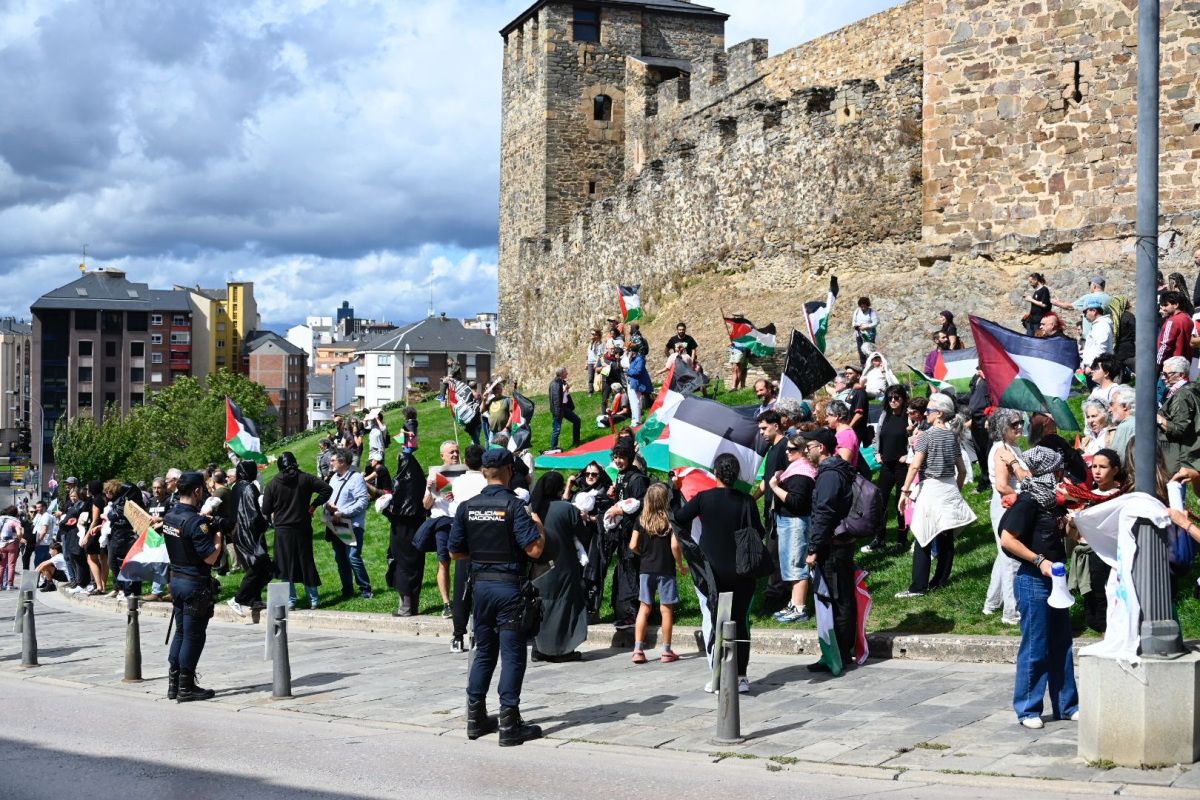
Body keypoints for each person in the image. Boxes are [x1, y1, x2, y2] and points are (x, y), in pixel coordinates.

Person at [448, 447, 546, 746]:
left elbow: (455, 552)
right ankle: (509, 723)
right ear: (507, 472)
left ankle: (476, 719)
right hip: (508, 588)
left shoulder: (467, 506)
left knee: (484, 652)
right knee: (513, 655)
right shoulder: (514, 506)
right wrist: (538, 527)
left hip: (480, 588)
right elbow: (535, 550)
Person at [998, 448, 1078, 729]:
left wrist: (1071, 525)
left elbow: (1068, 538)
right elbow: (1007, 539)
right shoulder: (1029, 501)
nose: (1061, 475)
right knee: (1036, 645)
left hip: (1056, 580)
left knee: (1062, 643)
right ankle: (1028, 709)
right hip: (1032, 580)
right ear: (1048, 472)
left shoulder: (1053, 502)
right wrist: (1039, 560)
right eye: (1058, 469)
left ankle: (1066, 706)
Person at [674, 454, 764, 693]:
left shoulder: (704, 499)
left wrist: (675, 491)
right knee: (741, 622)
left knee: (717, 622)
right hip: (743, 570)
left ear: (715, 472)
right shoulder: (746, 501)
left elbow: (679, 519)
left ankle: (717, 675)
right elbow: (759, 531)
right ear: (736, 475)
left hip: (712, 570)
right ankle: (742, 676)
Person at [896, 393, 977, 598]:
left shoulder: (926, 436)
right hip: (949, 486)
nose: (926, 413)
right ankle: (940, 580)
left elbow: (915, 465)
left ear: (939, 413)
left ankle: (918, 587)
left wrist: (904, 492)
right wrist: (956, 490)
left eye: (929, 410)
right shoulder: (952, 436)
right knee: (945, 535)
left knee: (923, 535)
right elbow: (963, 470)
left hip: (931, 488)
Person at [163, 471, 227, 703]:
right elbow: (210, 557)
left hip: (176, 580)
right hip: (194, 583)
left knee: (180, 632)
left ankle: (174, 684)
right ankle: (186, 686)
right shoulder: (195, 522)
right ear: (198, 491)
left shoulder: (171, 516)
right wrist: (218, 535)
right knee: (194, 635)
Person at [801, 427, 858, 673]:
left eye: (808, 446)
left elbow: (824, 513)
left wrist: (813, 548)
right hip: (837, 543)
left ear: (821, 448)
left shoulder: (829, 475)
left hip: (833, 547)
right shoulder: (832, 471)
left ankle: (841, 654)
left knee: (838, 599)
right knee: (836, 598)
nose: (806, 451)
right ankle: (835, 652)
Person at [587, 438, 648, 627]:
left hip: (634, 534)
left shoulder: (637, 479)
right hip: (623, 534)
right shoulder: (623, 476)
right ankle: (626, 612)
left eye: (622, 456)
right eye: (616, 456)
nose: (618, 460)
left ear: (630, 457)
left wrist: (619, 510)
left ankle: (634, 613)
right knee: (623, 570)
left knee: (631, 570)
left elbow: (641, 505)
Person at [528, 477, 589, 663]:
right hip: (563, 565)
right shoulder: (567, 508)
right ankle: (561, 650)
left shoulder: (533, 509)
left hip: (537, 566)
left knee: (541, 605)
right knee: (563, 606)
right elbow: (583, 534)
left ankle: (539, 648)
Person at [262, 451, 332, 610]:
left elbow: (266, 508)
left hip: (283, 529)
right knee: (306, 561)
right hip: (302, 526)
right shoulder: (306, 478)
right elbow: (327, 489)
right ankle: (313, 599)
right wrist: (313, 505)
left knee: (286, 565)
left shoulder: (273, 483)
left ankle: (291, 600)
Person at [625, 482, 685, 664]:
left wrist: (642, 555)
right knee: (666, 609)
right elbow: (675, 545)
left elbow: (632, 545)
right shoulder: (670, 519)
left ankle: (638, 650)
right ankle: (666, 651)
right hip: (666, 569)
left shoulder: (641, 520)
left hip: (646, 569)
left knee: (644, 608)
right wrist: (681, 565)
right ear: (665, 499)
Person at [1067, 448, 1124, 634]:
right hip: (1088, 554)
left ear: (1115, 470)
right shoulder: (1088, 496)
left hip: (1109, 554)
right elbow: (1073, 534)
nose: (1097, 471)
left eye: (1103, 467)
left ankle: (1109, 631)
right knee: (1090, 595)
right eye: (1094, 466)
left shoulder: (1120, 496)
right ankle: (1098, 626)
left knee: (1105, 595)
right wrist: (1073, 522)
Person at [983, 409, 1027, 625]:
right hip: (1007, 506)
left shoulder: (1012, 447)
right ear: (1002, 429)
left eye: (1021, 422)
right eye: (1014, 424)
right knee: (1011, 559)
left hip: (1010, 505)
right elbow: (1001, 486)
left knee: (1004, 555)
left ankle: (991, 603)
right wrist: (1026, 498)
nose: (1019, 426)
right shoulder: (1002, 450)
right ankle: (1012, 612)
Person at [768, 432, 816, 622]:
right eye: (787, 448)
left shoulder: (802, 474)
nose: (787, 452)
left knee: (797, 564)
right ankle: (793, 603)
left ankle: (800, 608)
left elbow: (797, 502)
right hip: (788, 522)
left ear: (803, 451)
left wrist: (775, 486)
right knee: (791, 563)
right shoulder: (796, 469)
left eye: (792, 449)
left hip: (796, 522)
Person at [448, 444, 487, 651]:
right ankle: (479, 635)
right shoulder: (486, 481)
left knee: (462, 587)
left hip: (463, 536)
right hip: (484, 538)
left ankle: (457, 635)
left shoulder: (459, 482)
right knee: (481, 588)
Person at [864, 385, 909, 554]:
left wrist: (909, 455)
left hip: (903, 466)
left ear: (903, 398)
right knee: (880, 502)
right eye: (890, 398)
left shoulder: (907, 417)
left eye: (896, 398)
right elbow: (878, 436)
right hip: (886, 465)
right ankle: (879, 538)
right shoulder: (885, 416)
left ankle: (902, 540)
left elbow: (915, 439)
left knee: (901, 503)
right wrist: (877, 453)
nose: (893, 401)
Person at [323, 449, 373, 601]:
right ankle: (347, 589)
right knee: (340, 558)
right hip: (336, 524)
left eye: (333, 460)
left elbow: (363, 502)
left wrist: (342, 512)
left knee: (352, 556)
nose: (330, 463)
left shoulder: (356, 478)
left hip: (352, 524)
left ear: (342, 462)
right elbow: (328, 498)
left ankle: (365, 588)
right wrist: (328, 506)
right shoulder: (333, 479)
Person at [226, 460, 272, 617]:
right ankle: (238, 599)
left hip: (238, 532)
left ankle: (254, 599)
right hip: (250, 534)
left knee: (256, 566)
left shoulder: (235, 488)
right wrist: (265, 522)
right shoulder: (249, 488)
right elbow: (253, 513)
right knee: (259, 566)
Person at [1157, 356, 1200, 483]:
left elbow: (1179, 429)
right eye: (1162, 374)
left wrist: (1158, 418)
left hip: (1180, 458)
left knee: (1174, 494)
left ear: (1181, 375)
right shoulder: (1190, 389)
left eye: (1166, 374)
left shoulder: (1181, 395)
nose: (1163, 378)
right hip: (1188, 455)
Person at [965, 365, 992, 493]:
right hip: (976, 420)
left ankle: (993, 483)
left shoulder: (991, 380)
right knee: (980, 452)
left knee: (989, 452)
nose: (978, 371)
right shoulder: (977, 379)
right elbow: (971, 397)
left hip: (986, 420)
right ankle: (984, 481)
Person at [1157, 291, 1195, 371]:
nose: (1163, 308)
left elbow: (1165, 345)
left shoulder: (1172, 321)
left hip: (1171, 368)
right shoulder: (1188, 319)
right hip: (1185, 366)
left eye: (1166, 305)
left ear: (1176, 305)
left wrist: (1157, 363)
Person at [547, 366, 580, 453]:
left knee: (577, 420)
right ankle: (553, 448)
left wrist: (566, 390)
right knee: (557, 429)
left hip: (564, 408)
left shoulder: (561, 382)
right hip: (559, 410)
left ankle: (576, 442)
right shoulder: (555, 384)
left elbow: (564, 396)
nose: (567, 373)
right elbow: (556, 400)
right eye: (565, 372)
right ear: (561, 374)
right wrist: (557, 414)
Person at [1079, 300, 1113, 373]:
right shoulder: (1098, 325)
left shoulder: (1101, 325)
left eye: (1085, 312)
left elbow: (1101, 348)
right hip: (1095, 368)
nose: (1084, 316)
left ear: (1094, 311)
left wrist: (1092, 367)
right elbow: (1093, 347)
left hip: (1097, 369)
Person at [1108, 385, 1137, 463]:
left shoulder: (1125, 426)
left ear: (1124, 406)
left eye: (1112, 404)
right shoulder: (1144, 422)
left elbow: (1118, 460)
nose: (1109, 410)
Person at [1022, 272, 1051, 336]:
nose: (1030, 284)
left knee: (1038, 339)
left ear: (1036, 280)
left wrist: (1031, 299)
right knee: (1029, 338)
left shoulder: (1044, 290)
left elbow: (1044, 304)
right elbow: (1036, 304)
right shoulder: (1036, 291)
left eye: (1031, 281)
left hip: (1039, 321)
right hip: (1032, 320)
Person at [852, 296, 879, 365]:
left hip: (869, 335)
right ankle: (863, 367)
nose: (863, 308)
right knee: (861, 352)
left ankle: (872, 365)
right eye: (862, 307)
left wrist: (867, 326)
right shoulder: (857, 311)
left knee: (870, 351)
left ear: (868, 305)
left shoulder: (871, 312)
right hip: (860, 335)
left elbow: (876, 322)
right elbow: (853, 322)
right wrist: (858, 326)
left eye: (865, 307)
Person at [0, 507, 20, 590]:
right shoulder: (15, 521)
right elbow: (19, 532)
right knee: (11, 565)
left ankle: (0, 585)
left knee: (1, 566)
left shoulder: (1, 519)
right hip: (12, 544)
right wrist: (18, 539)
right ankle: (9, 585)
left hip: (1, 545)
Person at [585, 329, 604, 394]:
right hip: (590, 362)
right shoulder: (590, 343)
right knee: (590, 377)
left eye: (593, 334)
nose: (592, 336)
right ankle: (590, 391)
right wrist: (586, 363)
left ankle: (600, 389)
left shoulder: (600, 343)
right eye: (591, 334)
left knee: (599, 376)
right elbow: (588, 354)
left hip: (596, 361)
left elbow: (600, 354)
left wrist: (596, 363)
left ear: (597, 335)